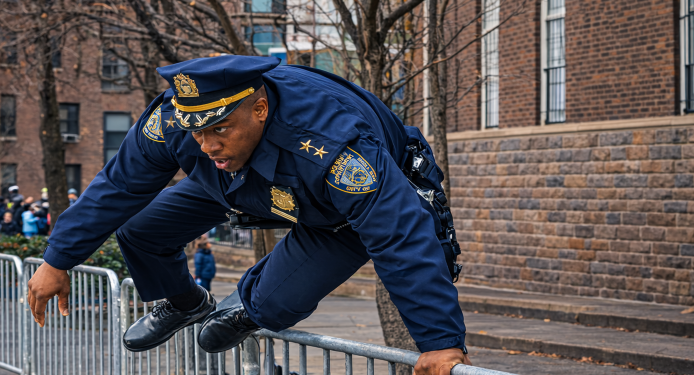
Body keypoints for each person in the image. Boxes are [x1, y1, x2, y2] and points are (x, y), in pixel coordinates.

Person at [26, 56, 469, 374]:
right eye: (197, 131)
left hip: (332, 213)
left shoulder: (334, 148)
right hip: (237, 181)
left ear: (259, 109)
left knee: (276, 304)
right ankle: (184, 303)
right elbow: (120, 185)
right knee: (140, 231)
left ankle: (248, 307)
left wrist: (441, 343)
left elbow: (399, 236)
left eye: (219, 129)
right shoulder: (183, 125)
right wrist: (58, 258)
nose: (206, 143)